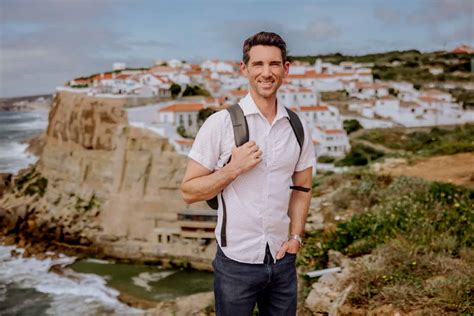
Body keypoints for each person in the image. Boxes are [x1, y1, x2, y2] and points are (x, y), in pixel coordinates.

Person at [180, 31, 314, 316]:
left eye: (274, 64)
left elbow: (303, 188)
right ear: (244, 69)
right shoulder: (219, 124)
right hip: (235, 262)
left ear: (286, 69)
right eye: (258, 64)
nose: (266, 73)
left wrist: (296, 238)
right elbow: (189, 191)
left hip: (282, 259)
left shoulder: (297, 127)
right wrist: (234, 168)